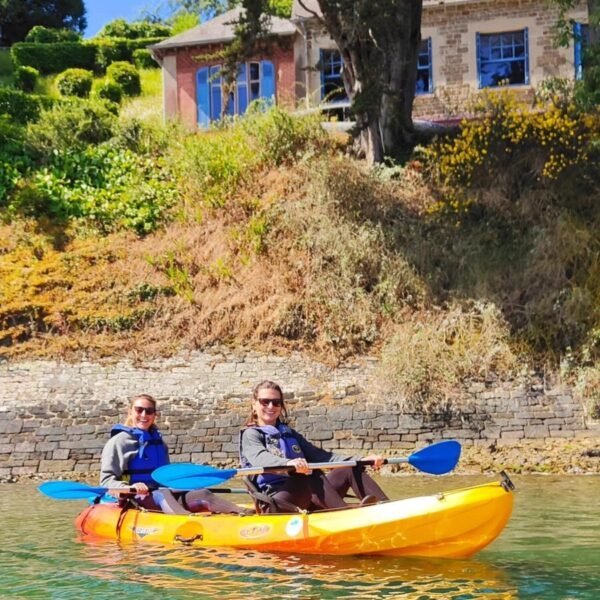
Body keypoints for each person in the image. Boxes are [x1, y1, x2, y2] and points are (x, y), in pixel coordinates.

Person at [239, 380, 389, 513]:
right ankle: (345, 515)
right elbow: (259, 458)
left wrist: (362, 460)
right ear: (254, 404)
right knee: (310, 473)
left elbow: (325, 457)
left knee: (348, 468)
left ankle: (386, 509)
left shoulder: (289, 434)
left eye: (276, 402)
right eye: (265, 402)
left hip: (305, 497)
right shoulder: (251, 434)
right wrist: (289, 463)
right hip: (274, 502)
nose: (271, 406)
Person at [101, 394, 250, 514]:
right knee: (162, 494)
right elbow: (106, 481)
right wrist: (130, 486)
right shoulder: (118, 442)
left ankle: (244, 514)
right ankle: (186, 522)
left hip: (159, 493)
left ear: (155, 415)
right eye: (139, 410)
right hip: (133, 497)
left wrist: (185, 486)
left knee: (201, 492)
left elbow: (165, 478)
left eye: (149, 411)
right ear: (131, 412)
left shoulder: (159, 443)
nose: (144, 415)